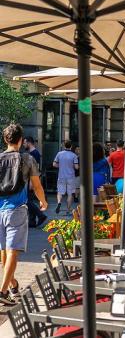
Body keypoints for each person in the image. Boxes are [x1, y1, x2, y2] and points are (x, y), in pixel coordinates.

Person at [0, 124, 48, 305]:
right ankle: (3, 291)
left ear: (6, 140)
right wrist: (43, 201)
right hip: (17, 209)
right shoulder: (27, 159)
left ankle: (12, 286)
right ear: (21, 140)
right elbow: (36, 186)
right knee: (12, 251)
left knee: (4, 250)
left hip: (0, 209)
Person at [23, 137, 46, 228]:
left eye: (25, 143)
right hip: (31, 179)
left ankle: (41, 215)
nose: (24, 145)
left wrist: (32, 182)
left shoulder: (33, 154)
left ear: (29, 143)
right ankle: (32, 221)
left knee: (27, 200)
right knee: (29, 199)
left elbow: (34, 169)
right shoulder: (34, 153)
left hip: (31, 180)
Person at [53, 140, 79, 215]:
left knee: (60, 192)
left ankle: (59, 202)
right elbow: (76, 167)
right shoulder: (74, 155)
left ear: (64, 146)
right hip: (71, 177)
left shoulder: (59, 154)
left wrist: (60, 166)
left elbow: (54, 164)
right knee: (70, 194)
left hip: (61, 176)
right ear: (71, 146)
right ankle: (68, 209)